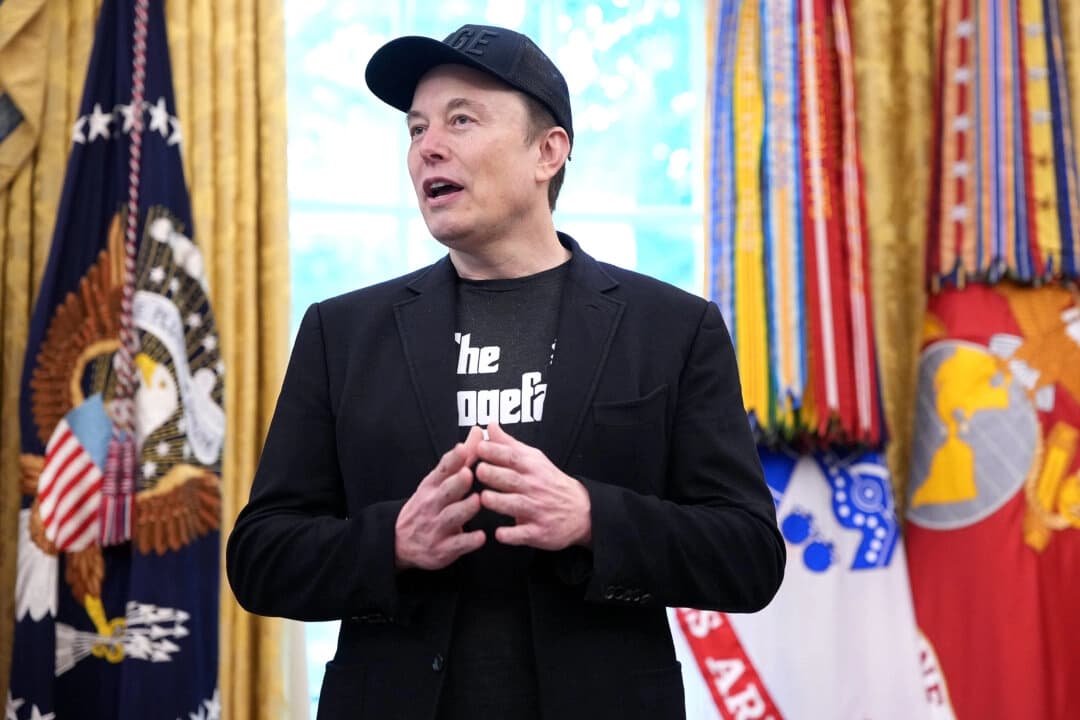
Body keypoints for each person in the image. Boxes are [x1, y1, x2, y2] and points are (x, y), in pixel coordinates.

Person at [226, 23, 785, 720]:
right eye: (417, 127)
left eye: (462, 119)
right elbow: (260, 558)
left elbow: (749, 556)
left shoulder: (672, 329)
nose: (428, 145)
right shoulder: (341, 333)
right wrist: (392, 541)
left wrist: (592, 518)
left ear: (548, 152)